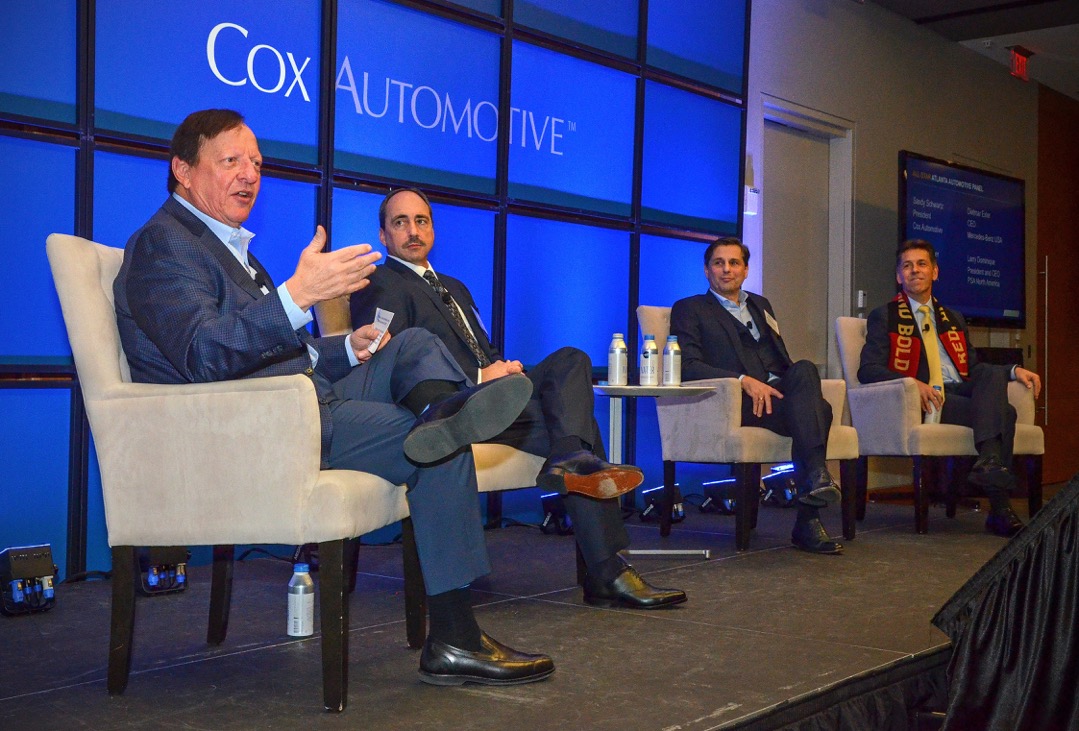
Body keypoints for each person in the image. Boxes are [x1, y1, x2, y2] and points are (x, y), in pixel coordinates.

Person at [113, 109, 555, 686]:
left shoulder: (231, 250)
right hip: (258, 427)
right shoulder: (161, 245)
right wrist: (298, 295)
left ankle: (443, 407)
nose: (250, 174)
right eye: (231, 161)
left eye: (257, 164)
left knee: (412, 343)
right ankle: (454, 638)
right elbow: (202, 355)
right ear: (183, 170)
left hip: (301, 398)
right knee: (437, 449)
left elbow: (277, 352)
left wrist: (347, 348)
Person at [348, 188, 687, 609]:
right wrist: (478, 377)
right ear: (383, 235)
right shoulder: (380, 284)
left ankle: (569, 461)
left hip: (499, 397)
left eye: (421, 221)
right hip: (456, 408)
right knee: (583, 433)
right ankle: (607, 570)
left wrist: (501, 368)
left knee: (571, 362)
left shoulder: (454, 287)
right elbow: (390, 364)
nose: (413, 231)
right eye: (400, 222)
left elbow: (481, 349)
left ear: (433, 228)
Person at [670, 237, 844, 554]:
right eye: (718, 263)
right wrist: (741, 380)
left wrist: (788, 385)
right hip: (736, 402)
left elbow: (781, 359)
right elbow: (687, 365)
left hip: (778, 394)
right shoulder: (690, 308)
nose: (726, 269)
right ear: (707, 271)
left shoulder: (761, 305)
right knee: (821, 411)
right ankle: (809, 516)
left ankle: (815, 482)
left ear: (746, 269)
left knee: (805, 370)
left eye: (734, 263)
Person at [858, 239, 1042, 537]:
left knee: (992, 374)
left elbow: (974, 368)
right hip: (925, 398)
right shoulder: (885, 316)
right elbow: (867, 371)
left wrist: (1013, 371)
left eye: (921, 264)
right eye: (907, 266)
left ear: (935, 272)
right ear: (898, 276)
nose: (914, 271)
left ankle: (989, 464)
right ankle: (998, 505)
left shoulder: (952, 318)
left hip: (959, 390)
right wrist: (911, 383)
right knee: (1005, 413)